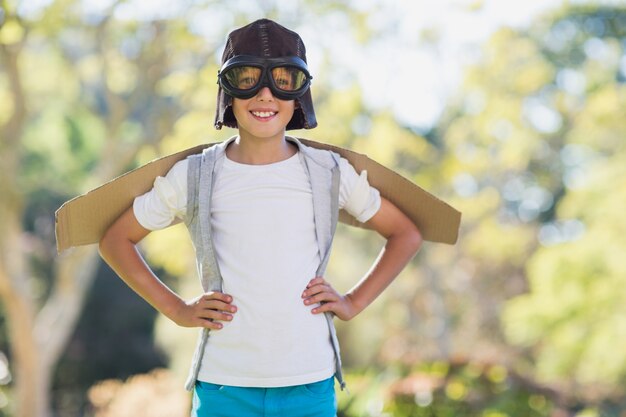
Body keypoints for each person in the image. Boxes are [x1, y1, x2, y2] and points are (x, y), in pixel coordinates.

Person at [99, 18, 422, 417]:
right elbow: (115, 238)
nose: (265, 95)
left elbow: (405, 232)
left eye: (284, 79)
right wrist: (176, 309)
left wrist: (354, 301)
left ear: (300, 94)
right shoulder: (195, 174)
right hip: (224, 385)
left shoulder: (328, 171)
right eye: (246, 77)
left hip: (309, 382)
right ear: (227, 92)